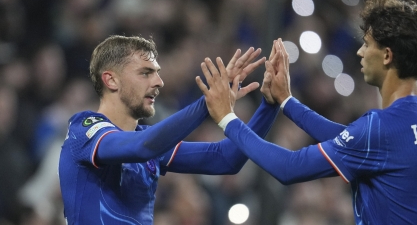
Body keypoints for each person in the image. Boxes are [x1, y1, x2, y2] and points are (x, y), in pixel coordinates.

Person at [197, 0, 417, 224]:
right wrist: (287, 101)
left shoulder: (380, 129)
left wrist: (228, 119)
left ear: (387, 56)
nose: (360, 52)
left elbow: (289, 167)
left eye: (367, 44)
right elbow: (354, 139)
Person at [58, 35, 281, 224]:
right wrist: (207, 102)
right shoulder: (83, 130)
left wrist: (270, 105)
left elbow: (225, 159)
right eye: (145, 73)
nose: (159, 82)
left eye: (157, 72)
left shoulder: (148, 141)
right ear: (111, 80)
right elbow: (142, 148)